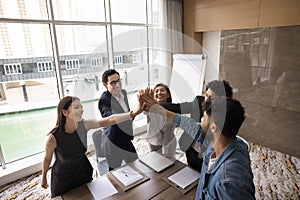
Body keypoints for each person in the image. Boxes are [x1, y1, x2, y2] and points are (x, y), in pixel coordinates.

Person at [141, 93, 255, 199]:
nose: (200, 120)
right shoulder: (223, 142)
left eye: (203, 118)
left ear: (213, 127)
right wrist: (157, 108)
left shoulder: (229, 182)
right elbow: (186, 123)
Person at [41, 96, 144, 198]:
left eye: (81, 107)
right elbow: (47, 159)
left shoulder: (84, 124)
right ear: (65, 112)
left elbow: (109, 120)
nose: (81, 110)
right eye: (76, 107)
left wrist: (133, 113)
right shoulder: (52, 138)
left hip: (82, 171)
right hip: (63, 178)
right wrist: (44, 177)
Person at [159, 80, 233, 172]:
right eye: (207, 95)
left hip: (207, 154)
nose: (207, 100)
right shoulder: (199, 101)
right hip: (191, 147)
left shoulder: (227, 117)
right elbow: (179, 108)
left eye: (212, 97)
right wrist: (156, 105)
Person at [98, 69, 138, 170]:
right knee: (115, 174)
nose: (118, 85)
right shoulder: (104, 100)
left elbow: (126, 114)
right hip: (113, 143)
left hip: (125, 138)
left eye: (118, 80)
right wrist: (134, 113)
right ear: (105, 84)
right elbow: (113, 118)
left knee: (137, 166)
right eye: (113, 82)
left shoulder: (123, 93)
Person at [145, 83, 177, 158]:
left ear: (168, 95)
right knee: (155, 162)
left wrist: (166, 151)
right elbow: (144, 111)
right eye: (156, 91)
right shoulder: (150, 108)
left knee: (169, 162)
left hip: (167, 142)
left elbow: (168, 134)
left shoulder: (171, 111)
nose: (159, 93)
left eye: (162, 90)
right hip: (152, 141)